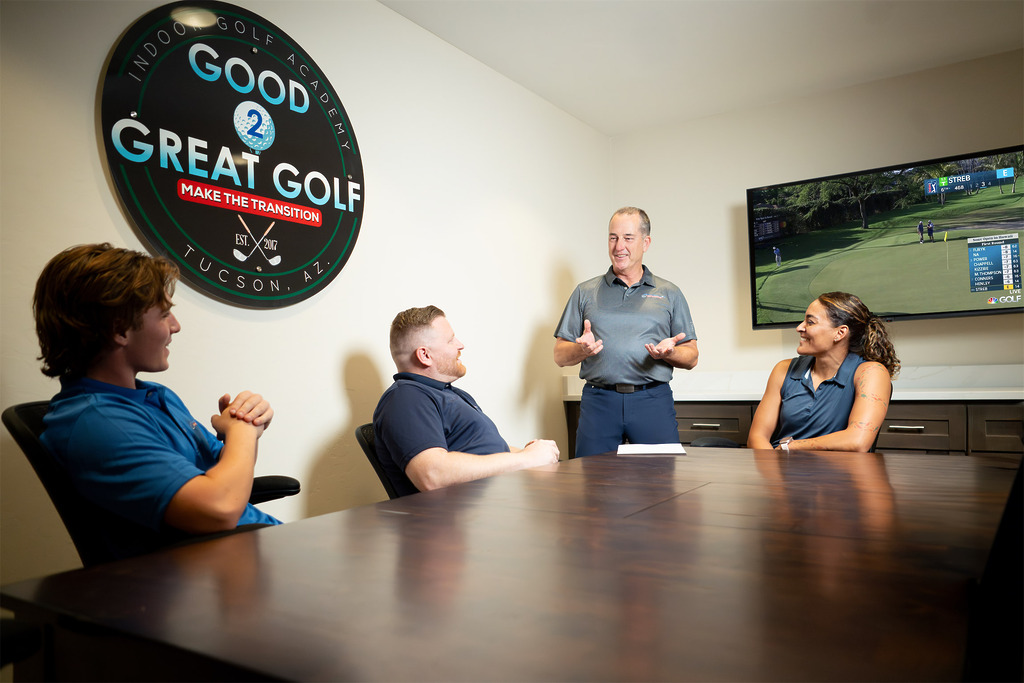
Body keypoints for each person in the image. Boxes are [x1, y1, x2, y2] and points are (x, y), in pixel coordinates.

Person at [34, 243, 281, 558]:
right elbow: (220, 507)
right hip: (221, 570)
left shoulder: (153, 396)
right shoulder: (98, 424)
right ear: (119, 329)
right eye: (164, 314)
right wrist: (243, 431)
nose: (175, 326)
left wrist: (246, 422)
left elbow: (228, 473)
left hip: (253, 550)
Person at [553, 206, 698, 457]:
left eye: (628, 238)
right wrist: (581, 349)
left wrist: (669, 353)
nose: (619, 246)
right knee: (592, 477)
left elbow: (692, 356)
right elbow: (559, 355)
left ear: (646, 242)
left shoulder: (669, 293)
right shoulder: (585, 292)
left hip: (652, 401)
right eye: (613, 237)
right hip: (599, 403)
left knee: (661, 476)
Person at [373, 305, 559, 497]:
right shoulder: (406, 398)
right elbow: (432, 475)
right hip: (466, 513)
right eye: (450, 340)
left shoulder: (447, 393)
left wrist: (530, 454)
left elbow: (483, 450)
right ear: (425, 355)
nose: (460, 345)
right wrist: (527, 459)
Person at [747, 291, 900, 452]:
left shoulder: (871, 373)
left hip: (834, 469)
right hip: (779, 464)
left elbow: (858, 441)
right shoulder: (783, 370)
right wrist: (774, 466)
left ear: (840, 333)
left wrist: (790, 447)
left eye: (810, 322)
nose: (799, 328)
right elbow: (757, 437)